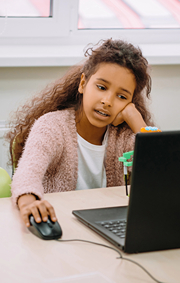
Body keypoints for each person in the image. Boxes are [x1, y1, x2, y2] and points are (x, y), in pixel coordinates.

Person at [6, 39, 154, 228]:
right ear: (83, 83)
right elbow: (27, 175)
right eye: (101, 87)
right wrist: (29, 202)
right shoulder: (52, 127)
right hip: (59, 225)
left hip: (108, 228)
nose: (107, 101)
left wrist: (137, 121)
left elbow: (162, 177)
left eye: (122, 96)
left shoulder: (125, 136)